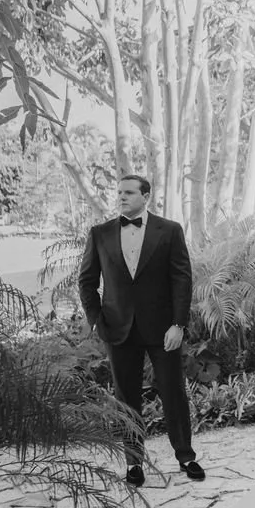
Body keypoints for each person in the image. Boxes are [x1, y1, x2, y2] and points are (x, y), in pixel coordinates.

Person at [78, 175, 205, 486]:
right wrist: (96, 319)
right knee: (126, 398)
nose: (122, 197)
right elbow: (87, 281)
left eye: (129, 192)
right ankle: (133, 462)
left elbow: (181, 279)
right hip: (118, 329)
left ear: (145, 196)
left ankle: (186, 457)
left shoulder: (170, 230)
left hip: (163, 329)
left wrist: (178, 324)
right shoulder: (100, 233)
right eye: (119, 192)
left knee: (173, 393)